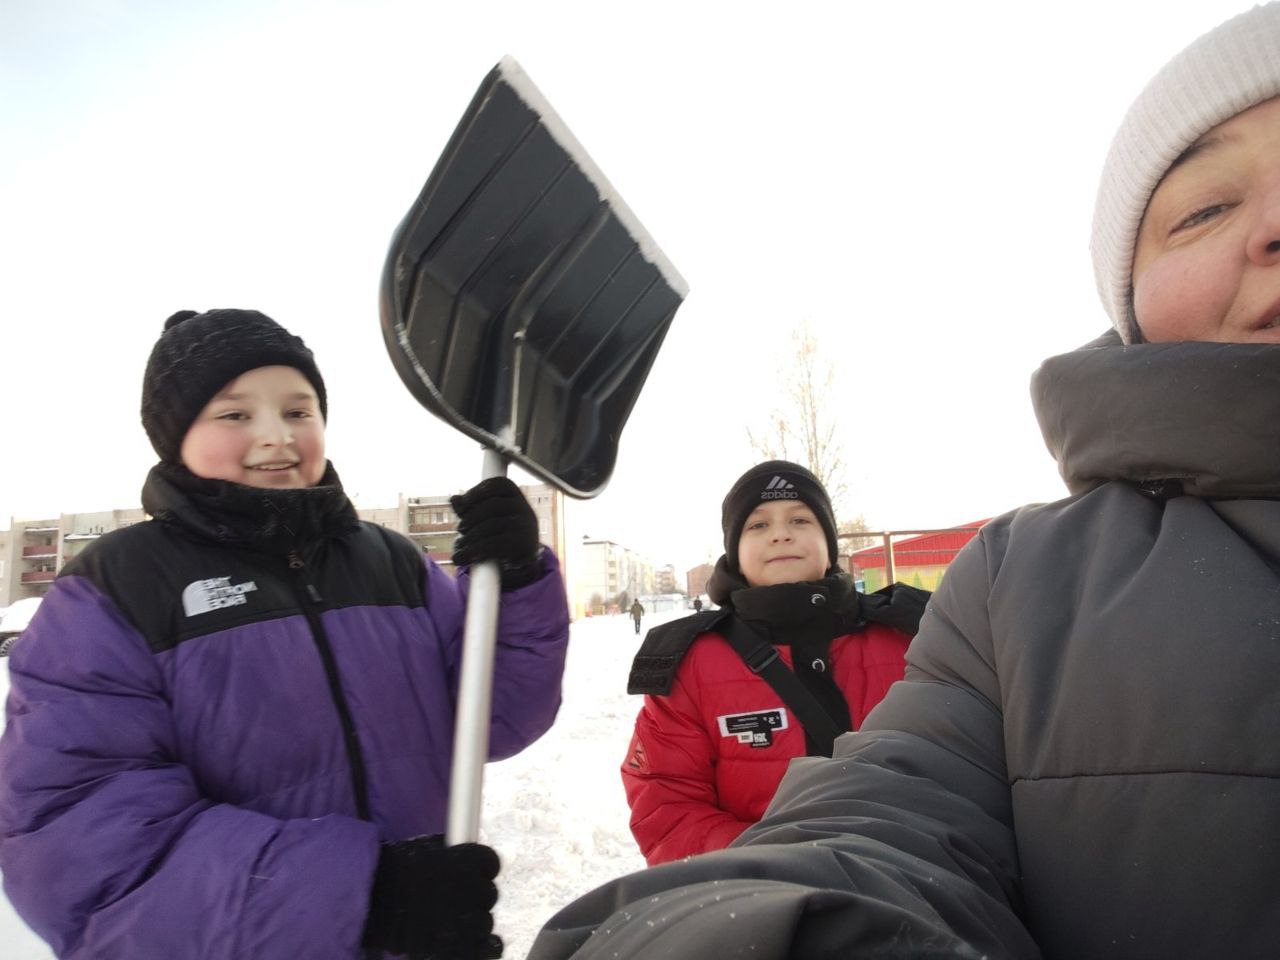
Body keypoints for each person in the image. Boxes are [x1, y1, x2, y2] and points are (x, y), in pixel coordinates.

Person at [528, 5, 1280, 958]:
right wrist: (742, 917)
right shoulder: (1009, 597)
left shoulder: (898, 626)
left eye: (801, 519)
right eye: (1208, 206)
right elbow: (879, 814)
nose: (784, 538)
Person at [0, 309, 571, 960]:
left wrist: (518, 579)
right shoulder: (114, 589)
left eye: (299, 412)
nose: (275, 437)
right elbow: (83, 844)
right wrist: (362, 898)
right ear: (175, 437)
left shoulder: (390, 561)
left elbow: (492, 716)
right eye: (235, 414)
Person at [621, 461, 926, 864]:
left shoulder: (914, 638)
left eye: (800, 519)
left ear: (829, 542)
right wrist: (776, 864)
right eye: (758, 525)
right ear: (735, 552)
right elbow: (667, 808)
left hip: (916, 885)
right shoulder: (688, 662)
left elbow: (970, 768)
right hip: (762, 900)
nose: (781, 533)